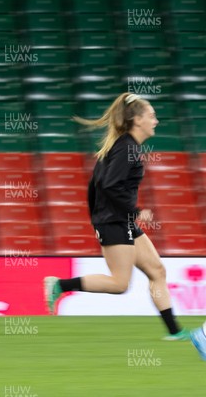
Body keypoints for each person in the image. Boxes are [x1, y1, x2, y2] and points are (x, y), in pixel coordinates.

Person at [44, 92, 188, 340]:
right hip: (115, 221)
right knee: (120, 284)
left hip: (119, 219)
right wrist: (132, 212)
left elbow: (95, 185)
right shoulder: (127, 148)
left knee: (157, 270)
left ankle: (175, 333)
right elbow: (110, 185)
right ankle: (60, 285)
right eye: (152, 116)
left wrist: (104, 216)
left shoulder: (124, 145)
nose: (156, 121)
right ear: (137, 120)